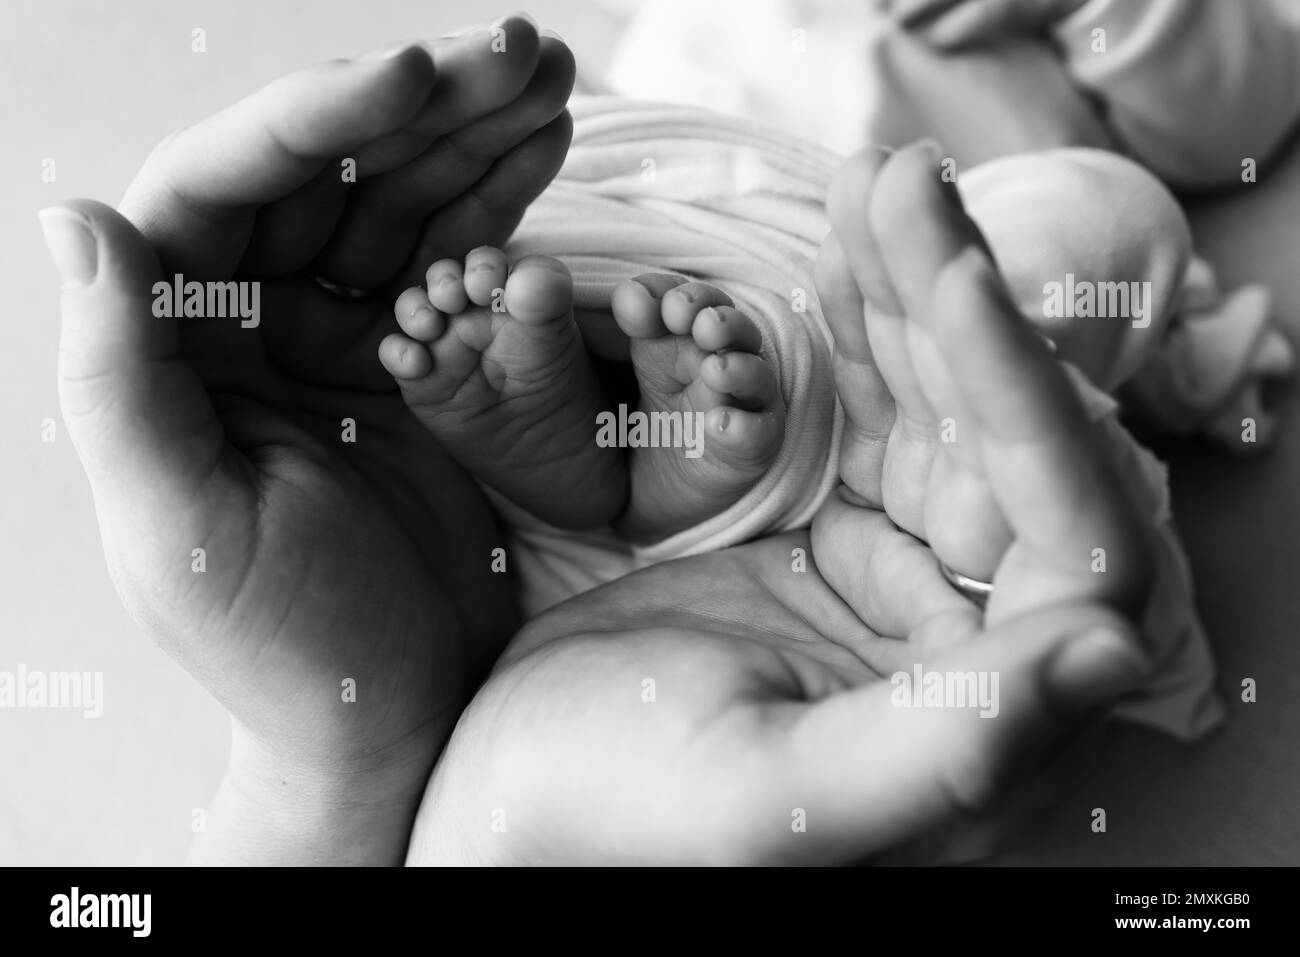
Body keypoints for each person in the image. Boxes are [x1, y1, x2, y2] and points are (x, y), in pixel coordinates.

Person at [39, 17, 1153, 865]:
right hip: (785, 376)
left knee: (1067, 233)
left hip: (624, 483)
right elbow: (1223, 101)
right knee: (1100, 222)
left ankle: (623, 454)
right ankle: (646, 449)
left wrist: (334, 763)